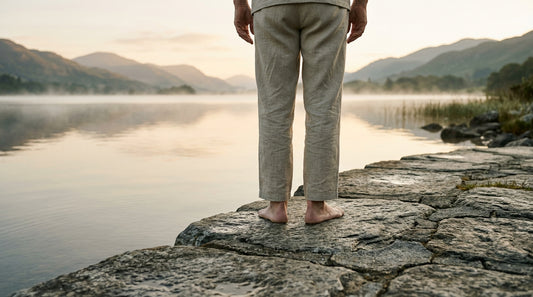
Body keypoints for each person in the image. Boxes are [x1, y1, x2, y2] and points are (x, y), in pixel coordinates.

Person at [233, 0, 368, 224]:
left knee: (273, 107)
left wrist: (240, 6)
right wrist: (361, 5)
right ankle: (317, 206)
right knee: (324, 106)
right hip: (328, 6)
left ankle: (276, 206)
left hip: (270, 6)